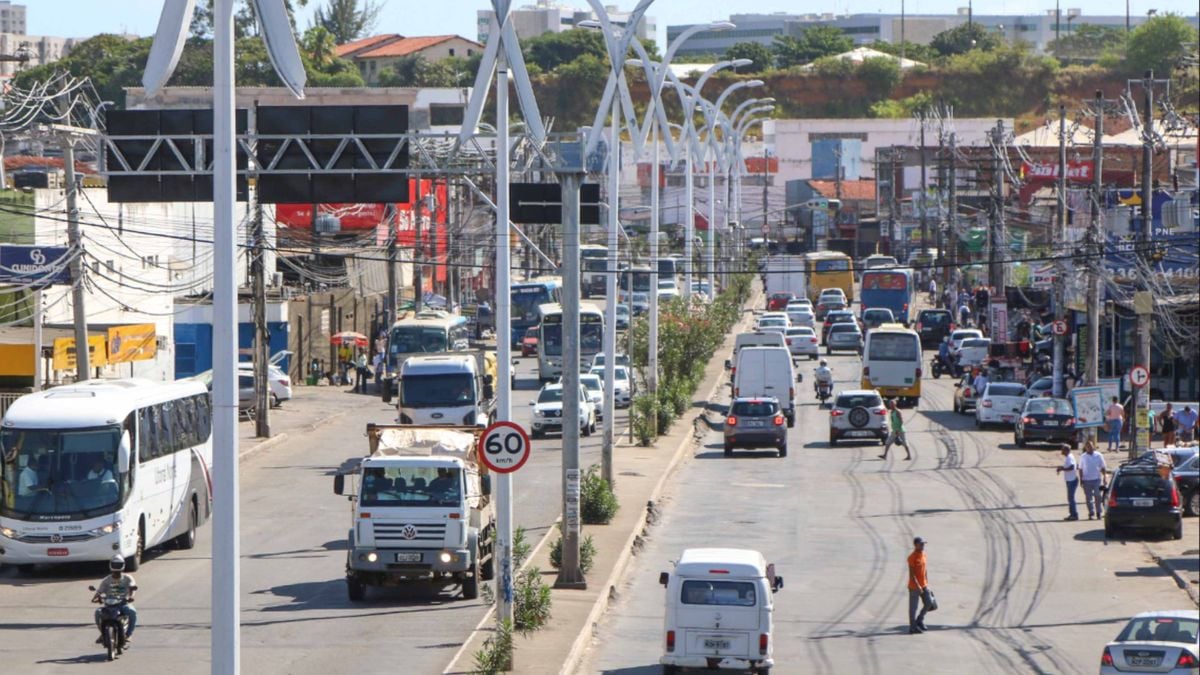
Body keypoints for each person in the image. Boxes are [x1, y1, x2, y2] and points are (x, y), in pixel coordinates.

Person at [93, 554, 137, 645]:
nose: (116, 570)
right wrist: (96, 597)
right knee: (98, 613)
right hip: (109, 605)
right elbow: (100, 591)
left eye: (118, 565)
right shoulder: (106, 580)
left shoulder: (128, 578)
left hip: (123, 604)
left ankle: (128, 634)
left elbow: (132, 587)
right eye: (115, 565)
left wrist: (131, 596)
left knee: (132, 611)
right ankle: (103, 633)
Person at [907, 537, 931, 634]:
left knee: (929, 603)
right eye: (921, 544)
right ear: (916, 545)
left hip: (924, 585)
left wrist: (926, 583)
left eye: (923, 544)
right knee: (913, 608)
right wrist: (918, 586)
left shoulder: (924, 555)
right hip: (914, 587)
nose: (923, 546)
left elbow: (925, 570)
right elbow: (911, 574)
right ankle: (912, 627)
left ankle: (920, 620)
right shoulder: (912, 557)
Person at [1078, 441, 1108, 520]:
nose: (1089, 448)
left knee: (1098, 496)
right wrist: (1081, 479)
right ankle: (1091, 512)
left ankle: (1099, 512)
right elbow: (1080, 469)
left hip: (1096, 479)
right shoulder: (1083, 457)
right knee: (1089, 498)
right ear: (1086, 448)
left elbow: (1103, 467)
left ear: (1093, 447)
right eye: (1088, 447)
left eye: (1091, 446)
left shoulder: (1098, 455)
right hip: (1086, 480)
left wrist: (1105, 477)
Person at [1055, 444, 1079, 521]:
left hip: (1072, 480)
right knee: (1070, 498)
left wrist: (1062, 469)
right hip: (1070, 480)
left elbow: (1072, 467)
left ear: (1066, 450)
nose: (1061, 451)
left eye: (1063, 450)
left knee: (1071, 498)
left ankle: (1074, 515)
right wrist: (1062, 468)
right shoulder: (1069, 457)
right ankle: (1072, 514)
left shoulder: (1070, 457)